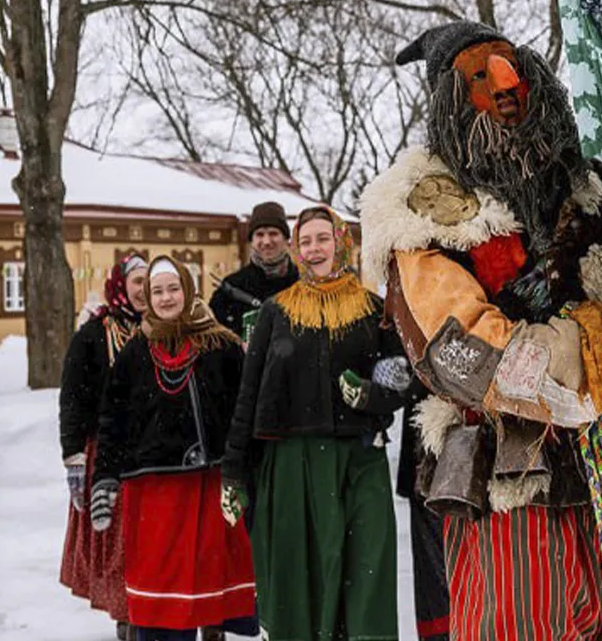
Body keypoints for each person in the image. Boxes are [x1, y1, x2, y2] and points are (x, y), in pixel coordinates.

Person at [361, 21, 602, 641]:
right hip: (515, 474)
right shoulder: (421, 209)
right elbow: (462, 354)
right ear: (453, 100)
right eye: (481, 76)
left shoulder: (598, 182)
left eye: (513, 68)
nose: (507, 85)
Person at [222, 205, 406, 641]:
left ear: (341, 242)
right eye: (305, 241)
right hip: (292, 464)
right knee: (302, 582)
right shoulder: (276, 312)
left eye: (322, 238)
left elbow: (399, 374)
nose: (314, 248)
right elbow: (248, 395)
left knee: (366, 572)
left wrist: (370, 395)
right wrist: (233, 471)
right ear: (296, 249)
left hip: (361, 461)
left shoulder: (372, 309)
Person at [92, 257, 255, 641]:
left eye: (173, 288)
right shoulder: (134, 353)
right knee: (162, 590)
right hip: (154, 492)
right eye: (158, 291)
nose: (166, 298)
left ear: (188, 289)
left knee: (209, 577)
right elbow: (112, 419)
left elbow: (243, 412)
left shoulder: (220, 345)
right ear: (148, 298)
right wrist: (105, 478)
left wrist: (248, 465)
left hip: (211, 485)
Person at [59, 254, 150, 633]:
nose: (144, 290)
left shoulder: (165, 329)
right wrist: (74, 456)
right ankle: (125, 616)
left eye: (150, 281)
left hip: (154, 451)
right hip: (106, 451)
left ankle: (148, 606)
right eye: (137, 282)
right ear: (120, 285)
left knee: (148, 538)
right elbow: (73, 399)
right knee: (117, 541)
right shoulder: (94, 334)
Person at [210, 202, 298, 338]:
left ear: (286, 239)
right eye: (260, 234)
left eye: (274, 233)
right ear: (252, 240)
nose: (267, 241)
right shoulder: (231, 289)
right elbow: (214, 345)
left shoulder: (304, 284)